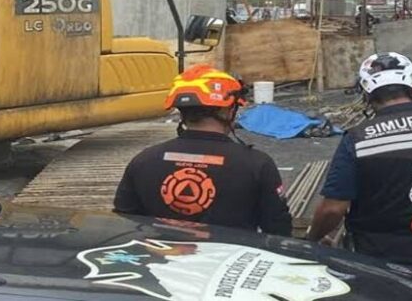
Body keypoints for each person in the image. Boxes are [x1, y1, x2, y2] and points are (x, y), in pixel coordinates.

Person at [307, 52, 412, 291]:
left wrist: (312, 239)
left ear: (366, 94)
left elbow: (334, 208)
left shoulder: (359, 139)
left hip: (384, 263)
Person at [114, 64, 292, 236]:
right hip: (231, 263)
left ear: (182, 112)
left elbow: (124, 223)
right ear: (229, 111)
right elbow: (278, 229)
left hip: (162, 262)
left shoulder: (144, 161)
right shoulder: (257, 164)